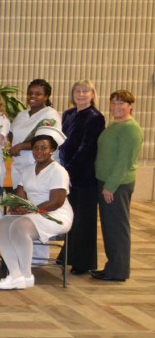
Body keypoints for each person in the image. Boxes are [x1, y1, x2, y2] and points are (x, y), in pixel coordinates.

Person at [0, 127, 73, 290]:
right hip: (33, 212)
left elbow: (56, 202)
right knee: (1, 223)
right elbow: (21, 196)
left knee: (19, 226)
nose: (39, 151)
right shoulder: (28, 170)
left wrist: (28, 210)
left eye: (44, 148)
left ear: (52, 150)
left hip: (55, 215)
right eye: (36, 148)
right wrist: (15, 206)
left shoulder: (58, 171)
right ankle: (15, 275)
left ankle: (27, 275)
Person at [92, 90, 142, 282]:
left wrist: (110, 187)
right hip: (106, 181)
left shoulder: (131, 129)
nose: (117, 107)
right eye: (113, 103)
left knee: (117, 228)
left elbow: (125, 162)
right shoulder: (114, 125)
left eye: (122, 103)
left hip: (117, 185)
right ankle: (112, 266)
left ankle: (119, 271)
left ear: (131, 106)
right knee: (109, 227)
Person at [58, 80, 105, 275]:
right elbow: (61, 141)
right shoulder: (68, 114)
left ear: (93, 94)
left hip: (84, 176)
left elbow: (86, 147)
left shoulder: (95, 117)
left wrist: (68, 170)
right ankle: (68, 255)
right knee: (71, 216)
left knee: (84, 220)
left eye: (86, 91)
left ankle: (83, 262)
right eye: (78, 91)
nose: (81, 94)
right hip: (67, 173)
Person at [9, 79, 61, 188]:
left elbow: (48, 141)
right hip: (19, 166)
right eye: (30, 93)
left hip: (39, 166)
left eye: (38, 94)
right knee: (19, 201)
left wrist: (20, 146)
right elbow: (11, 133)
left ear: (46, 96)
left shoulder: (50, 114)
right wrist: (10, 145)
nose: (32, 96)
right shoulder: (21, 114)